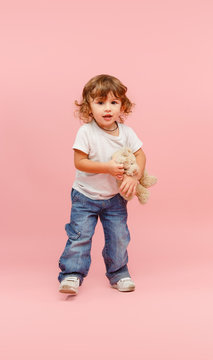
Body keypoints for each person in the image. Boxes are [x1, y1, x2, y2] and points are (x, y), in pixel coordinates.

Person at [58, 74, 146, 295]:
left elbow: (141, 156)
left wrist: (134, 177)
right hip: (85, 196)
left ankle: (118, 273)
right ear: (89, 106)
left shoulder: (127, 133)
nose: (107, 108)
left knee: (119, 236)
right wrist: (107, 167)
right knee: (80, 235)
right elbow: (80, 162)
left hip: (114, 199)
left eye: (113, 102)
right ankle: (72, 274)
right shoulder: (86, 132)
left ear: (122, 106)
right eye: (100, 102)